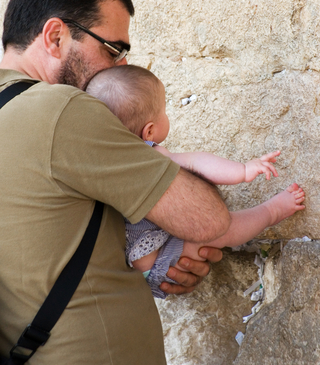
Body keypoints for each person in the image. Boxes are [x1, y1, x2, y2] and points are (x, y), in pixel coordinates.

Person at [0, 0, 231, 365]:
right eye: (113, 49)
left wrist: (157, 257)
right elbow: (208, 219)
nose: (120, 68)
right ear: (55, 36)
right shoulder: (63, 110)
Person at [86, 65, 306, 298]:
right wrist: (243, 170)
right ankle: (271, 212)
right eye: (164, 111)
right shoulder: (148, 155)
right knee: (220, 231)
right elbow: (196, 163)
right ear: (148, 132)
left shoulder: (100, 160)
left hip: (137, 269)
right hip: (162, 263)